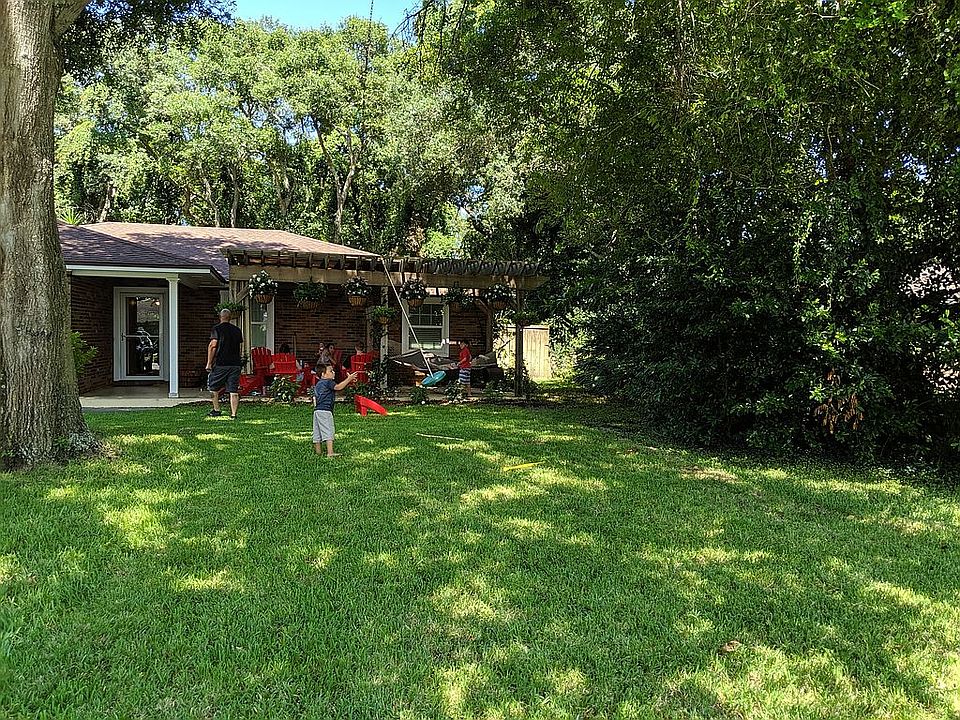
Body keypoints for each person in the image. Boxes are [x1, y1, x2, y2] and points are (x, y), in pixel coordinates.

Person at [312, 364, 358, 457]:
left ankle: (318, 452)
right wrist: (349, 379)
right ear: (323, 374)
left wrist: (348, 381)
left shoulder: (319, 384)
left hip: (317, 411)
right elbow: (338, 387)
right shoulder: (328, 382)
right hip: (325, 411)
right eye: (331, 371)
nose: (333, 372)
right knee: (328, 430)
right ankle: (330, 453)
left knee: (317, 432)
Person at [206, 309, 244, 419]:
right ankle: (233, 414)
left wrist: (209, 363)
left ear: (220, 317)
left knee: (213, 387)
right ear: (230, 317)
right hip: (235, 364)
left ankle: (216, 410)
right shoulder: (237, 330)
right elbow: (240, 347)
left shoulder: (217, 329)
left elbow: (212, 346)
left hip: (221, 363)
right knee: (233, 390)